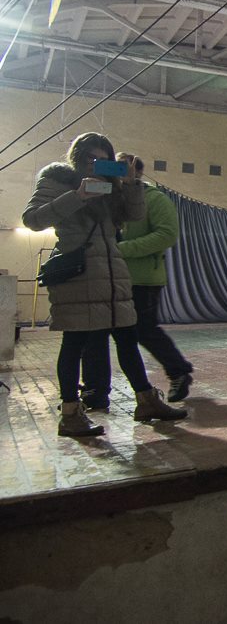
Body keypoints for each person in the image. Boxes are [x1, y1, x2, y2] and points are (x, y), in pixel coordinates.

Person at [23, 133, 187, 437]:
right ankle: (71, 414)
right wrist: (78, 196)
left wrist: (131, 183)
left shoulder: (113, 187)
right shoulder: (57, 179)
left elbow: (136, 214)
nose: (98, 164)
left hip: (114, 275)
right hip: (79, 276)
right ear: (78, 158)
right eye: (92, 158)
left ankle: (146, 401)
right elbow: (32, 219)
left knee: (127, 338)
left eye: (105, 159)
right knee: (74, 344)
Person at [82, 153, 195, 405]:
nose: (119, 173)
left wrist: (122, 250)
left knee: (143, 330)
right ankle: (95, 390)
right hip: (105, 276)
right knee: (96, 334)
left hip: (142, 279)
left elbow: (166, 235)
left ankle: (179, 372)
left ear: (139, 173)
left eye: (124, 169)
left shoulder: (155, 200)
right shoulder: (104, 196)